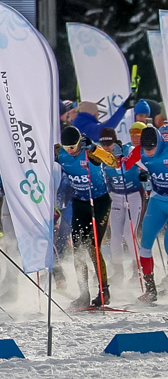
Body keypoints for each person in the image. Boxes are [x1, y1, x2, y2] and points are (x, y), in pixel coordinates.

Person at [55, 126, 112, 307]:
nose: (70, 151)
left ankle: (104, 291)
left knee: (93, 247)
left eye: (73, 147)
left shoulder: (90, 152)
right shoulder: (59, 151)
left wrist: (95, 149)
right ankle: (84, 294)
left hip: (99, 203)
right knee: (78, 250)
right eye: (67, 148)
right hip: (80, 203)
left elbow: (113, 162)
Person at [129, 124, 168, 302]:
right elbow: (119, 163)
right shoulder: (139, 152)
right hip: (157, 200)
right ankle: (150, 290)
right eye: (146, 149)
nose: (149, 153)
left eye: (152, 149)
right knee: (144, 244)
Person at [100, 128, 143, 283]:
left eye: (109, 143)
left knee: (129, 233)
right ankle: (118, 272)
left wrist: (147, 179)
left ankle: (138, 269)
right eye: (103, 144)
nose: (106, 147)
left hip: (133, 195)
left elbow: (144, 163)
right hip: (116, 196)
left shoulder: (127, 150)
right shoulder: (101, 155)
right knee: (116, 236)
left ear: (115, 140)